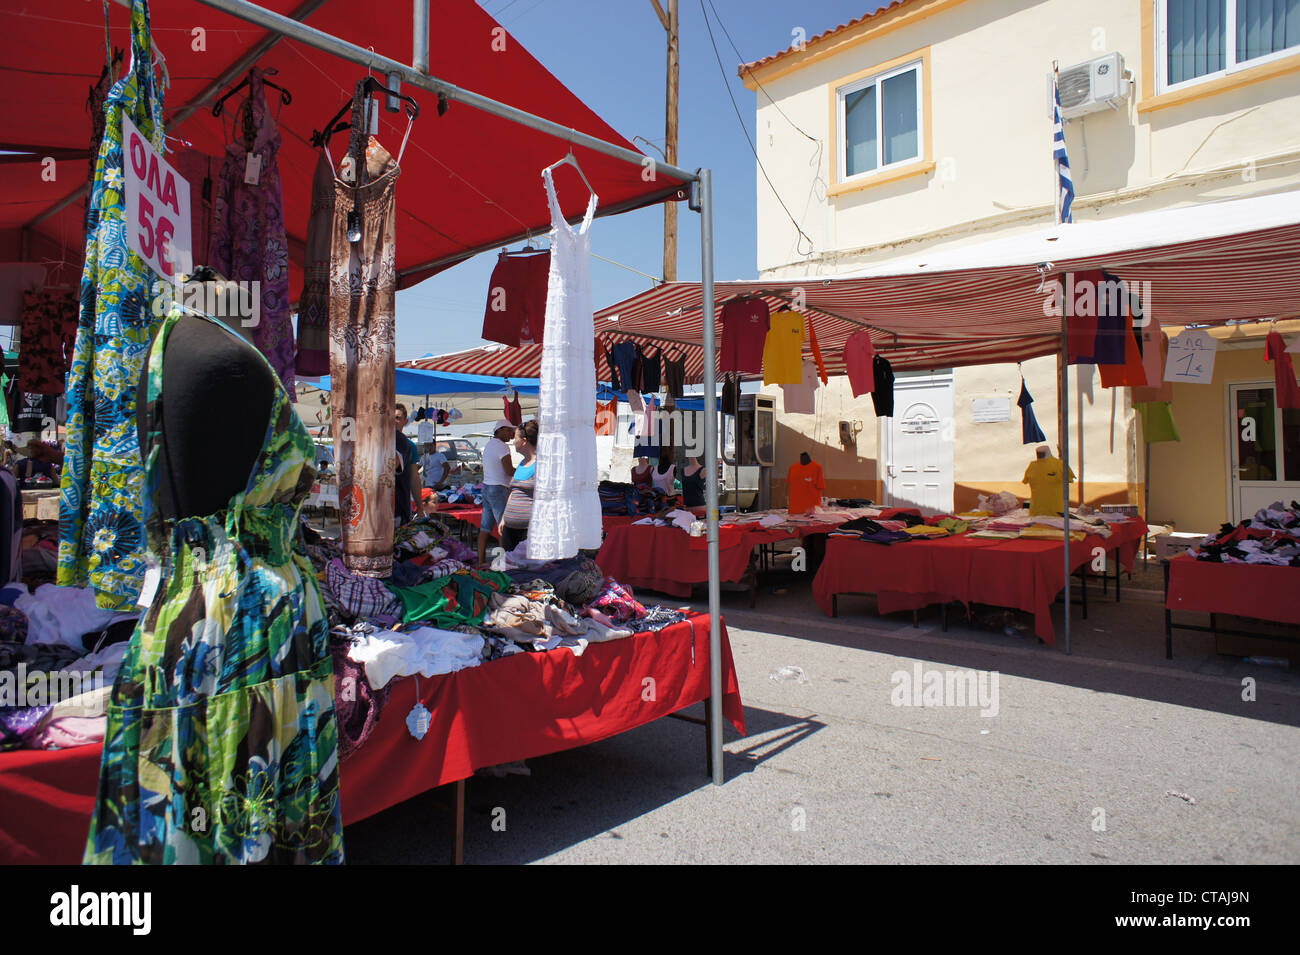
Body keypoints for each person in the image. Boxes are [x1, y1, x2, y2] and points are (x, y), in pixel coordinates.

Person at [478, 418, 517, 564]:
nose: (511, 434)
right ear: (499, 430)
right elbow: (508, 471)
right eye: (508, 430)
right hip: (498, 489)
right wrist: (524, 470)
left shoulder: (489, 444)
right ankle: (503, 563)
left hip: (487, 487)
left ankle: (480, 562)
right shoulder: (502, 447)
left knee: (485, 528)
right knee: (503, 527)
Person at [498, 419, 538, 552]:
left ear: (524, 441)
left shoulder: (540, 465)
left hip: (528, 530)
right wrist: (504, 518)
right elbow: (513, 492)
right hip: (510, 528)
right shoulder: (522, 463)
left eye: (515, 438)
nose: (513, 441)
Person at [1023, 444, 1076, 517]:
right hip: (1039, 512)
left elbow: (1069, 479)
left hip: (1052, 513)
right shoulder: (1032, 466)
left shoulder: (1060, 465)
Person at [393, 404, 421, 527]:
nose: (394, 421)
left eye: (398, 418)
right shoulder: (379, 441)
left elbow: (414, 478)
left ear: (405, 421)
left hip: (400, 503)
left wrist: (420, 507)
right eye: (392, 417)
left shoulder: (409, 445)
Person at [786, 451, 825, 515]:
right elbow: (791, 486)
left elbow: (820, 487)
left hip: (811, 512)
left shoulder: (817, 468)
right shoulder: (792, 468)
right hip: (794, 511)